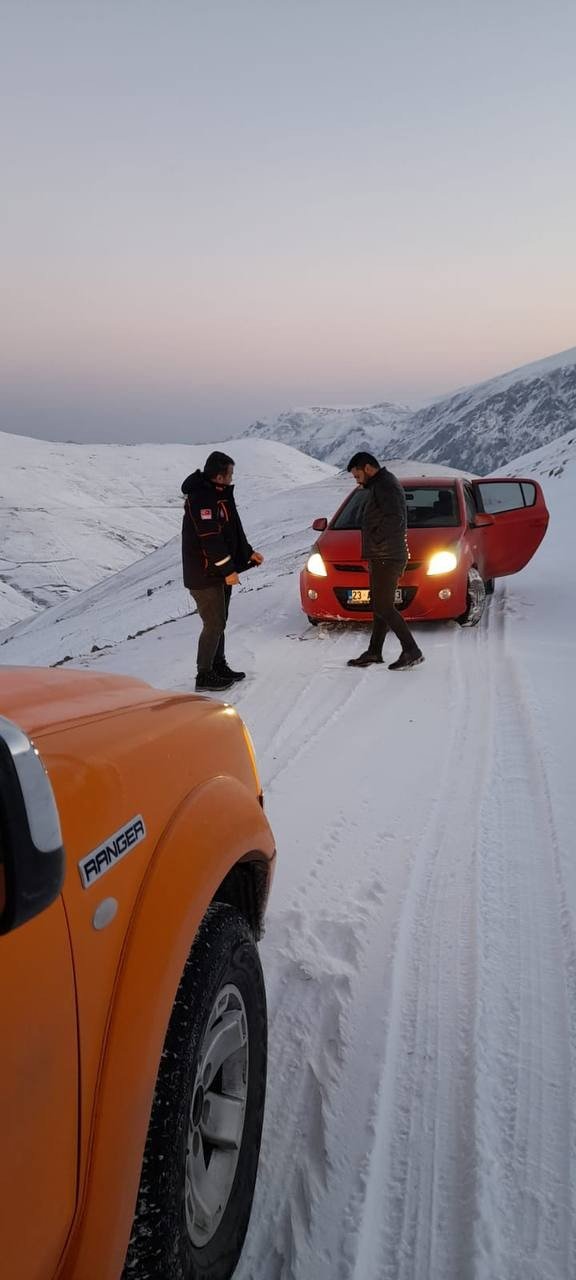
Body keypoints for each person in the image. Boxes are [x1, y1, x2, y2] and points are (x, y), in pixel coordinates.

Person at [181, 452, 264, 692]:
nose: (231, 478)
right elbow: (211, 539)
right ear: (219, 476)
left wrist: (247, 553)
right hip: (205, 574)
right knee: (214, 624)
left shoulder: (220, 495)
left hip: (217, 573)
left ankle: (219, 665)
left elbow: (232, 530)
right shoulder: (202, 499)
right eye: (230, 474)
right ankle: (204, 674)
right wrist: (228, 570)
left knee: (220, 621)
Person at [345, 451, 424, 671]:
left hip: (386, 555)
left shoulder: (385, 485)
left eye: (357, 475)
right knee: (379, 604)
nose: (357, 480)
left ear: (368, 468)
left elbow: (395, 518)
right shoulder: (379, 485)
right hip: (383, 554)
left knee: (383, 605)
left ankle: (411, 650)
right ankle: (374, 651)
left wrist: (376, 538)